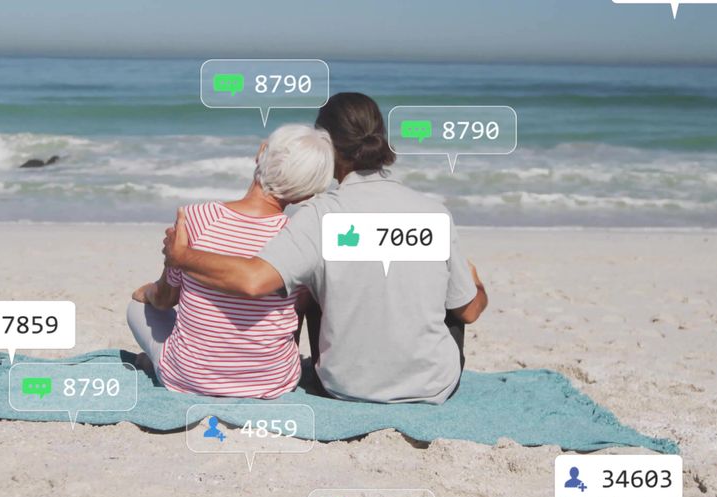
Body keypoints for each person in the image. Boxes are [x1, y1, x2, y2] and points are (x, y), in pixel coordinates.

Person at [163, 93, 488, 404]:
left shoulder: (319, 215)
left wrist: (183, 257)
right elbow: (470, 312)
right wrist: (476, 284)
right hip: (431, 387)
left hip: (342, 386)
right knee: (453, 295)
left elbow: (253, 281)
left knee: (313, 282)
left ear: (327, 147)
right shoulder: (433, 213)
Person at [127, 124, 335, 398]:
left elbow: (165, 299)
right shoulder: (298, 239)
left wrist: (146, 292)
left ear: (261, 153)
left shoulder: (197, 218)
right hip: (271, 383)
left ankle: (160, 362)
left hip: (191, 379)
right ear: (309, 193)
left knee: (138, 307)